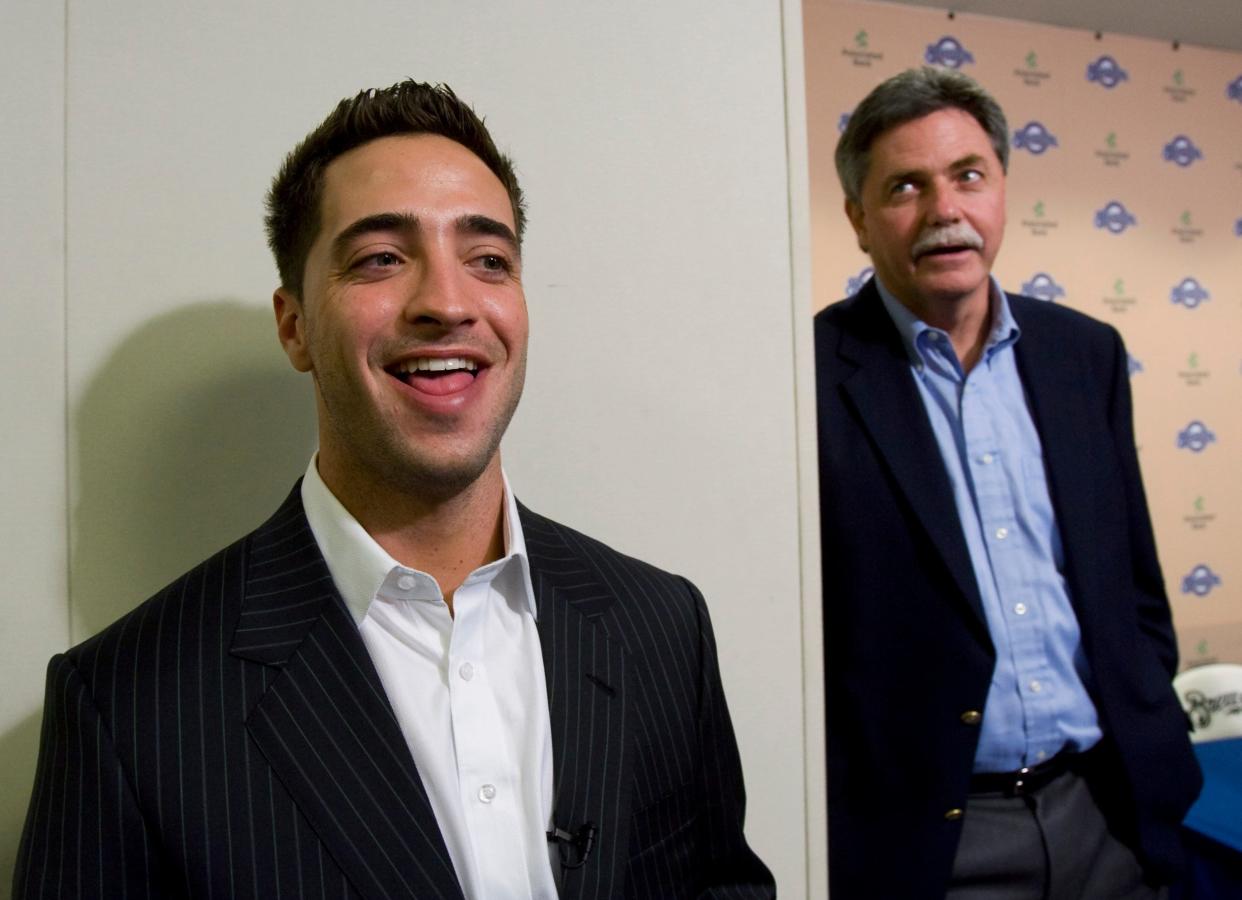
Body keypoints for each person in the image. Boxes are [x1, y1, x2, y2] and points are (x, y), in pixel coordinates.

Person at [14, 80, 774, 900]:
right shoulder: (127, 704)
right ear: (294, 324)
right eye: (381, 258)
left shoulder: (660, 627)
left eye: (488, 260)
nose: (448, 303)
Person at [815, 67, 1201, 900]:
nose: (944, 209)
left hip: (1107, 807)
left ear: (1000, 190)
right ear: (858, 218)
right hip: (933, 840)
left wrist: (1145, 713)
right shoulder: (806, 375)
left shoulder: (1083, 354)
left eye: (968, 175)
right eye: (905, 186)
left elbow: (1130, 579)